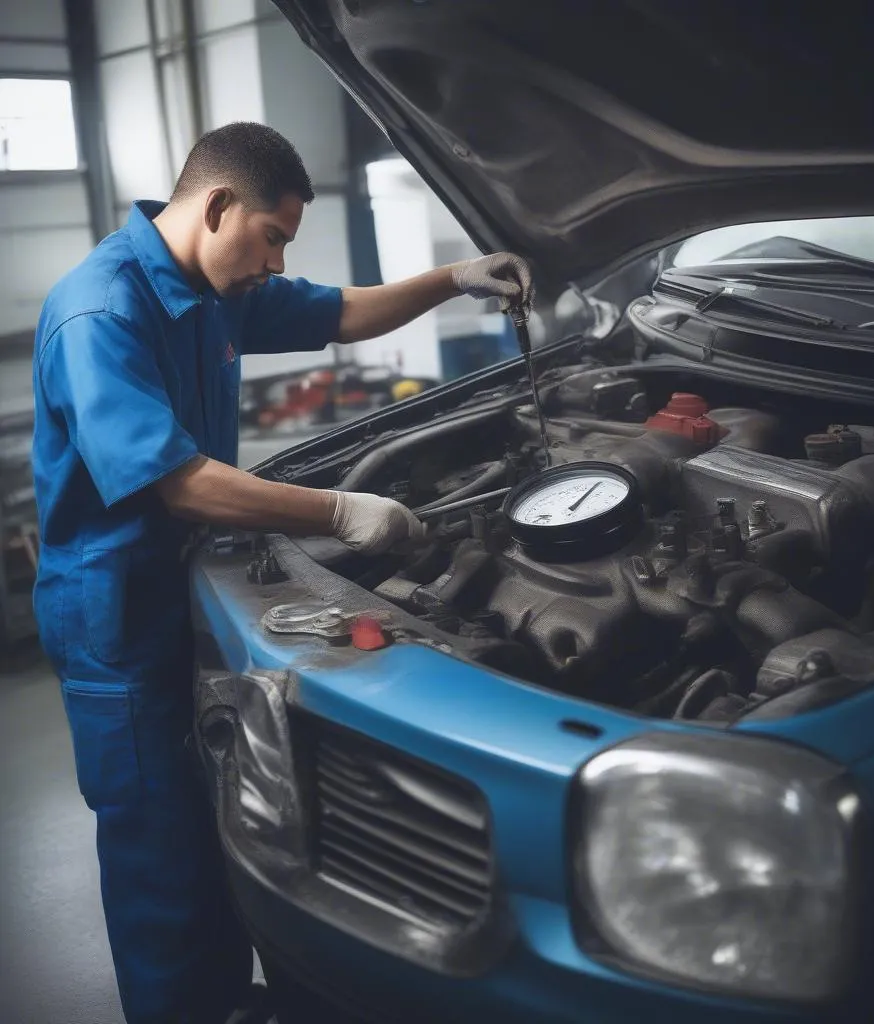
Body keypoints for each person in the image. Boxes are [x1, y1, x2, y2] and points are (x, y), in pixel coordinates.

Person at [30, 121, 533, 1024]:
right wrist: (342, 511)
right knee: (157, 846)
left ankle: (226, 1000)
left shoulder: (214, 286)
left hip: (182, 586)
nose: (275, 262)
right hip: (113, 612)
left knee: (220, 816)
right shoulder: (101, 310)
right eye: (274, 239)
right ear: (219, 206)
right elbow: (177, 481)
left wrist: (454, 278)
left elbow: (341, 312)